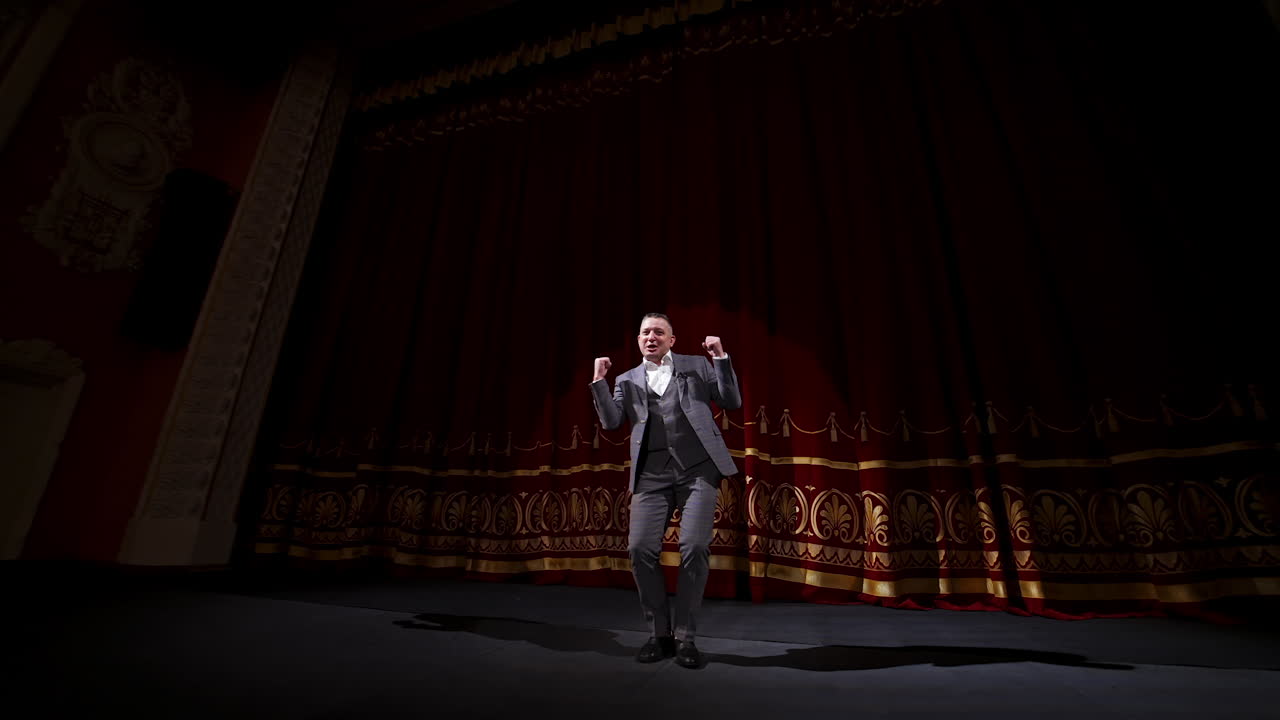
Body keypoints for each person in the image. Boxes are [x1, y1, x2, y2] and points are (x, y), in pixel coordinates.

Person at [590, 312, 742, 668]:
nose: (651, 337)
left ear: (671, 340)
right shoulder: (626, 379)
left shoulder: (697, 366)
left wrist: (720, 358)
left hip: (698, 470)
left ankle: (685, 637)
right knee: (639, 548)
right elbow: (612, 422)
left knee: (694, 547)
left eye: (659, 332)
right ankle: (659, 633)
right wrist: (598, 382)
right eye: (645, 332)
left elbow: (731, 400)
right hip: (651, 476)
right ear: (638, 340)